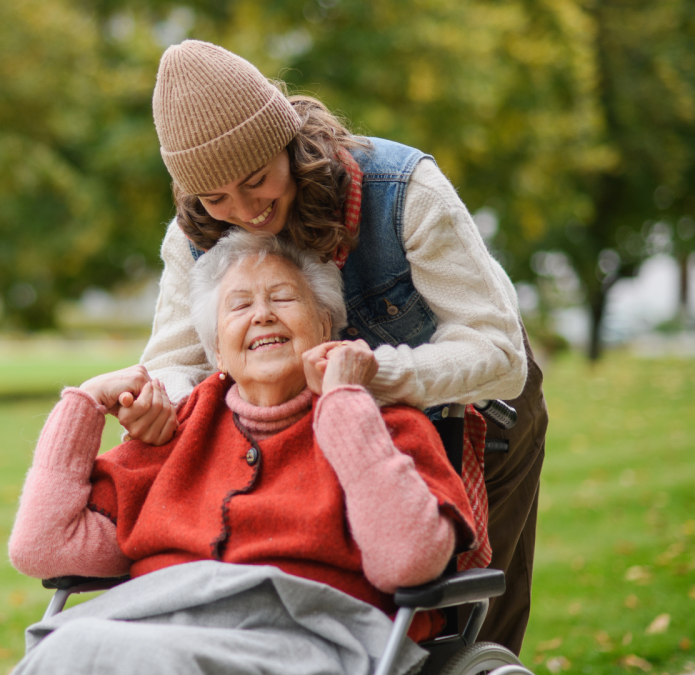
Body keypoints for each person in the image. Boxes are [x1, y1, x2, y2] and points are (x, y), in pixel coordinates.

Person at [106, 40, 546, 654]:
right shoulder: (195, 235)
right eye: (215, 199)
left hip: (470, 413)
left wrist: (369, 377)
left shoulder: (406, 191)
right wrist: (161, 402)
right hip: (307, 438)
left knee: (459, 616)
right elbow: (174, 363)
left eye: (256, 181)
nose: (244, 211)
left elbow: (498, 355)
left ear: (287, 143)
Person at [8, 232, 476, 675]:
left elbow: (409, 562)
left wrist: (344, 404)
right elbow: (43, 548)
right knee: (76, 650)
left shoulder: (384, 425)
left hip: (303, 640)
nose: (263, 315)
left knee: (89, 650)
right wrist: (84, 403)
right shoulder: (176, 429)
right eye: (239, 305)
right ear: (218, 353)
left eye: (283, 297)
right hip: (150, 627)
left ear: (326, 325)